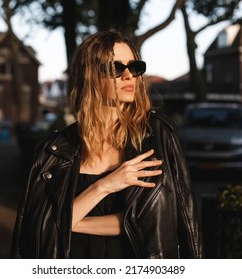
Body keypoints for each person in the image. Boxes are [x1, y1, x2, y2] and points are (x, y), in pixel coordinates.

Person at [11, 30, 203, 259]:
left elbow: (171, 220)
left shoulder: (159, 135)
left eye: (134, 66)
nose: (129, 75)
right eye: (117, 68)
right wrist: (105, 185)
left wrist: (70, 221)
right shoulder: (54, 150)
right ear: (90, 75)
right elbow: (35, 231)